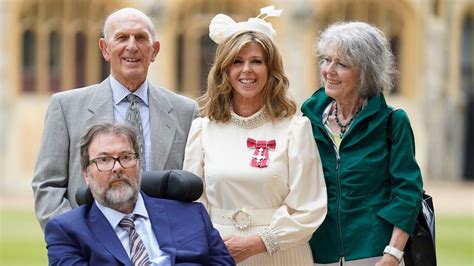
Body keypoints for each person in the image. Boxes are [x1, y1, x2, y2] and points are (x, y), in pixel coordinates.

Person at [183, 6, 327, 266]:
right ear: (224, 70)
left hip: (282, 253)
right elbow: (193, 203)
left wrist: (259, 242)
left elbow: (309, 207)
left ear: (271, 70)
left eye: (256, 61)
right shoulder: (202, 130)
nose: (246, 70)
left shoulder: (296, 129)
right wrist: (212, 244)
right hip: (219, 253)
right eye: (237, 62)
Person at [32, 7, 198, 230]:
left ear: (155, 50)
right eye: (121, 37)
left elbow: (194, 187)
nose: (131, 46)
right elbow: (47, 186)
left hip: (164, 246)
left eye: (140, 38)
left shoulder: (185, 111)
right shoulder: (65, 107)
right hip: (91, 246)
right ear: (105, 49)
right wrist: (76, 238)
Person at [301, 21, 424, 266]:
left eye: (342, 64)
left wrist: (393, 254)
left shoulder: (393, 121)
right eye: (326, 60)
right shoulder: (306, 119)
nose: (329, 70)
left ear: (367, 72)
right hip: (317, 253)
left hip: (374, 253)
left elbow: (407, 193)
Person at [44, 123, 235, 265]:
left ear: (139, 165)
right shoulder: (67, 231)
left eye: (126, 157)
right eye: (104, 160)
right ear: (86, 173)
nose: (117, 167)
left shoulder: (191, 215)